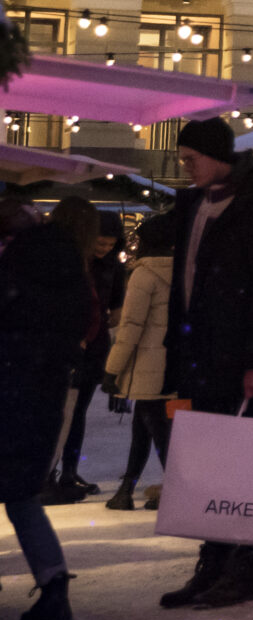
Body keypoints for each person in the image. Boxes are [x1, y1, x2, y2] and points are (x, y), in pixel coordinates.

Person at [156, 116, 253, 612]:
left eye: (190, 158)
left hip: (243, 356)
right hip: (202, 353)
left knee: (249, 462)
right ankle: (214, 562)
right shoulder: (198, 205)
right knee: (212, 465)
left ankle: (247, 568)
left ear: (217, 156)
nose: (185, 167)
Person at [0, 189, 86, 620]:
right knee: (22, 496)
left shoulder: (12, 261)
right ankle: (54, 593)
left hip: (10, 383)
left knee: (19, 495)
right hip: (42, 390)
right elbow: (80, 319)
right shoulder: (61, 253)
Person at [41, 198, 117, 505]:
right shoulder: (67, 258)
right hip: (63, 350)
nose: (103, 247)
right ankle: (44, 478)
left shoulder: (49, 252)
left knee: (64, 414)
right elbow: (79, 305)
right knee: (60, 415)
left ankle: (51, 475)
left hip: (61, 349)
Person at [104, 212, 178, 510]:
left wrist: (112, 369)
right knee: (145, 425)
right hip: (174, 365)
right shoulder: (186, 271)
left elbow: (130, 328)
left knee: (156, 427)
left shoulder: (144, 275)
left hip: (148, 367)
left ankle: (175, 488)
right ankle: (126, 487)